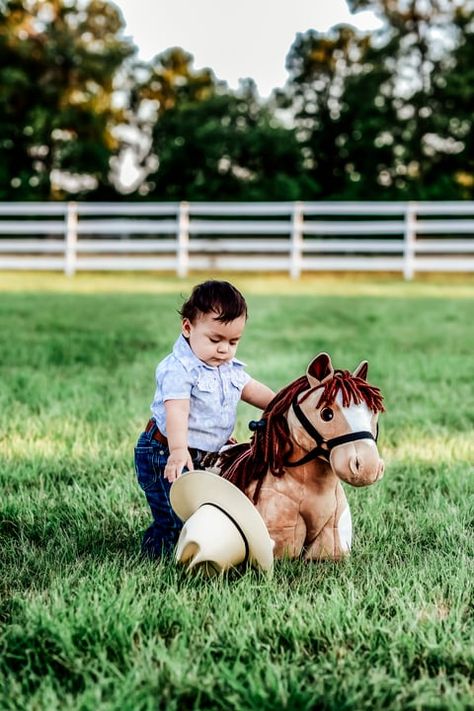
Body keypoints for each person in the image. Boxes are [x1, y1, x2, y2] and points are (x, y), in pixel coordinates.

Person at [134, 280, 275, 558]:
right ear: (188, 328)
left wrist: (284, 405)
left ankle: (213, 544)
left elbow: (253, 391)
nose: (224, 350)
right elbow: (177, 412)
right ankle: (158, 551)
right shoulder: (179, 369)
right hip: (164, 453)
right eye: (215, 340)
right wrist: (177, 451)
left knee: (209, 510)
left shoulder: (228, 368)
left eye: (233, 342)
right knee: (176, 515)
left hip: (207, 453)